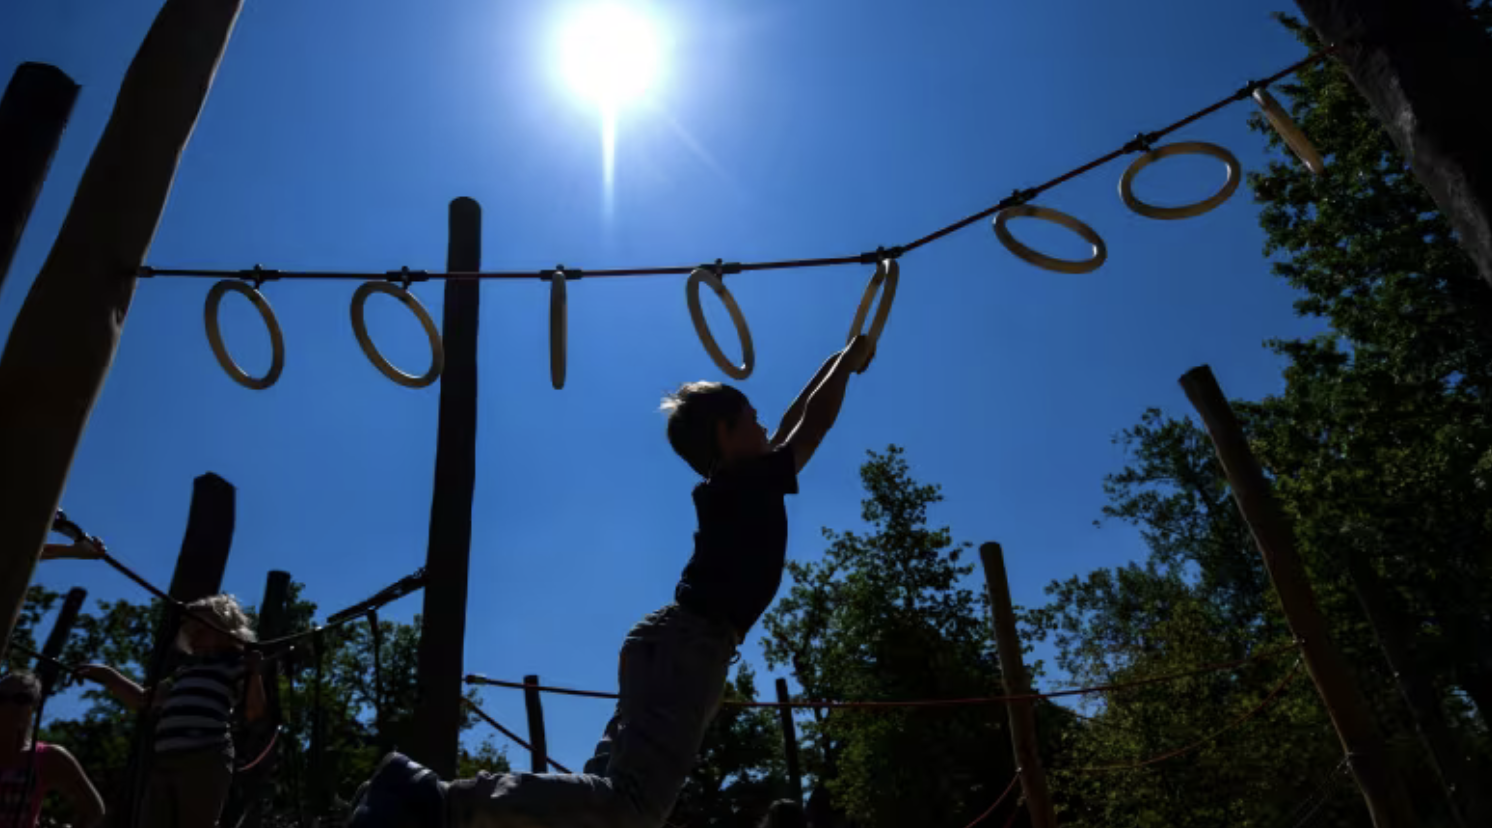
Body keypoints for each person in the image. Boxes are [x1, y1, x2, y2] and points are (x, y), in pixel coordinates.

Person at [347, 335, 875, 828]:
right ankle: (442, 800)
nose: (766, 429)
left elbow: (793, 418)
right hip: (690, 648)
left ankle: (456, 805)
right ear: (725, 435)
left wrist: (839, 356)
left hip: (670, 642)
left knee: (603, 796)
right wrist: (848, 365)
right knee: (634, 807)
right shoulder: (749, 482)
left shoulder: (740, 480)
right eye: (752, 420)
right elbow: (814, 423)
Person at [78, 594, 267, 828]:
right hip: (165, 760)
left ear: (226, 631)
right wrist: (109, 676)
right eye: (190, 631)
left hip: (206, 756)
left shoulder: (235, 667)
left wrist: (255, 672)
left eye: (201, 630)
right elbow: (143, 699)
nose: (194, 637)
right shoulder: (184, 672)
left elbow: (254, 711)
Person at [0, 671, 105, 828]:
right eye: (1, 697)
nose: (9, 705)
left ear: (34, 706)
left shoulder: (48, 757)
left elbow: (94, 810)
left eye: (21, 699)